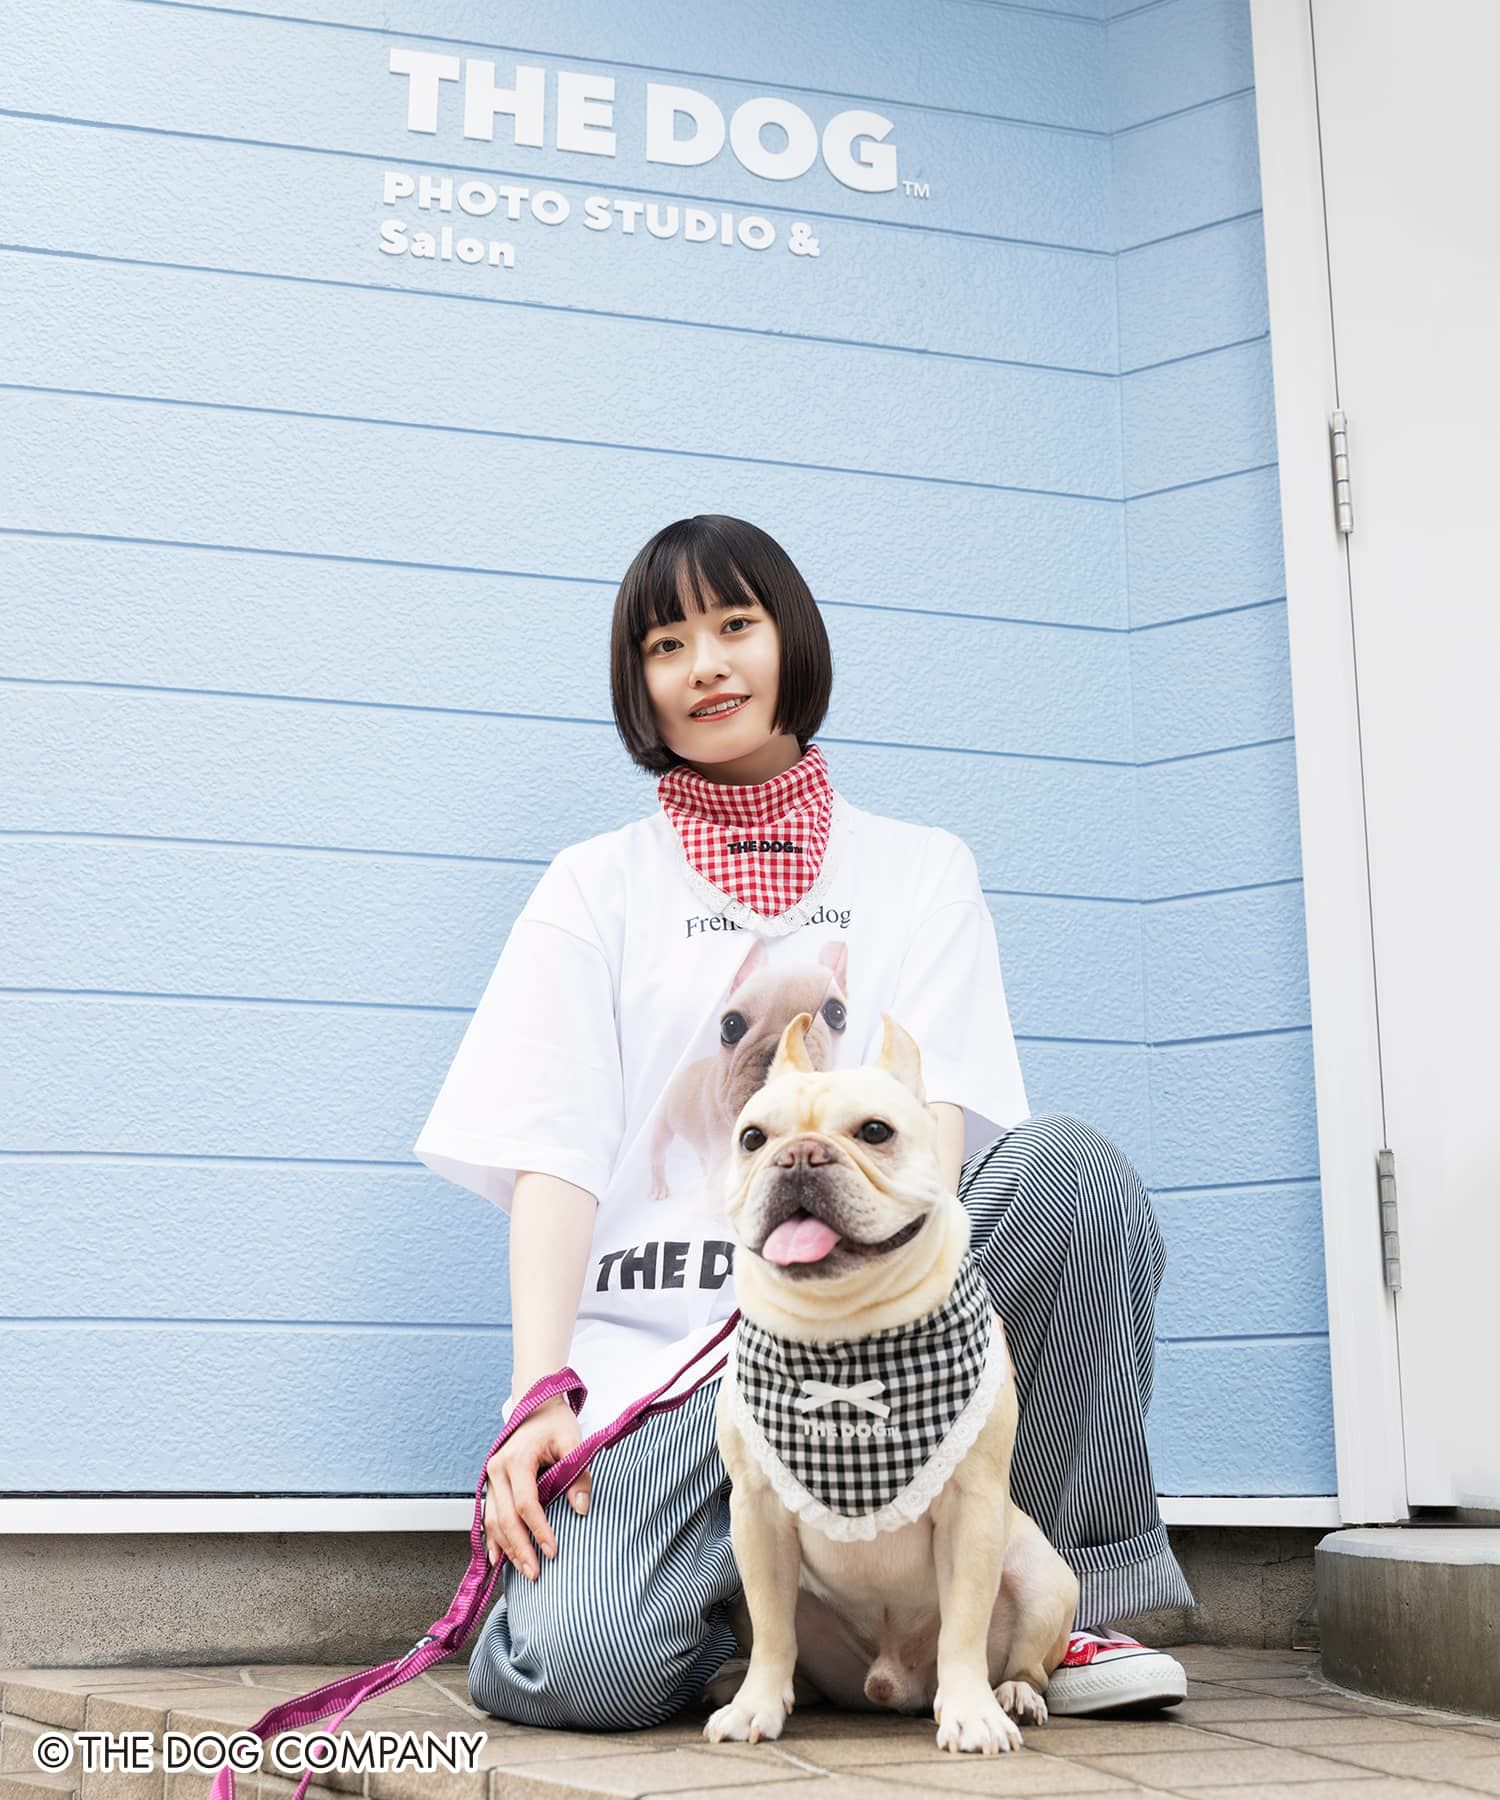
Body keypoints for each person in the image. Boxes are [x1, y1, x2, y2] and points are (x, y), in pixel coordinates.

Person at [412, 514, 1195, 1731]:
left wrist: (923, 1288)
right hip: (677, 1367)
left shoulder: (920, 868)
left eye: (736, 625)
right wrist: (537, 1392)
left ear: (792, 641)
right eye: (667, 644)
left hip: (892, 1321)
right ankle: (766, 1623)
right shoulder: (593, 886)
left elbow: (939, 1122)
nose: (706, 664)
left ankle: (1057, 1604)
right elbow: (550, 1152)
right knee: (569, 1668)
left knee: (1072, 1176)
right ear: (638, 682)